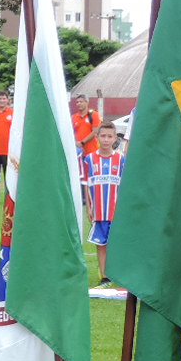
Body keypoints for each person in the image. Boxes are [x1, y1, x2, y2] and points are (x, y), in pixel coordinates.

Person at [81, 122, 124, 284]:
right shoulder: (90, 159)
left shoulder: (120, 159)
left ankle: (117, 274)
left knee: (116, 245)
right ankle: (105, 276)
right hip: (99, 211)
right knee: (101, 244)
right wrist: (89, 208)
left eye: (109, 136)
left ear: (115, 138)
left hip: (115, 211)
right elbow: (87, 185)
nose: (106, 140)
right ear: (97, 137)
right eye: (103, 136)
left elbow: (124, 186)